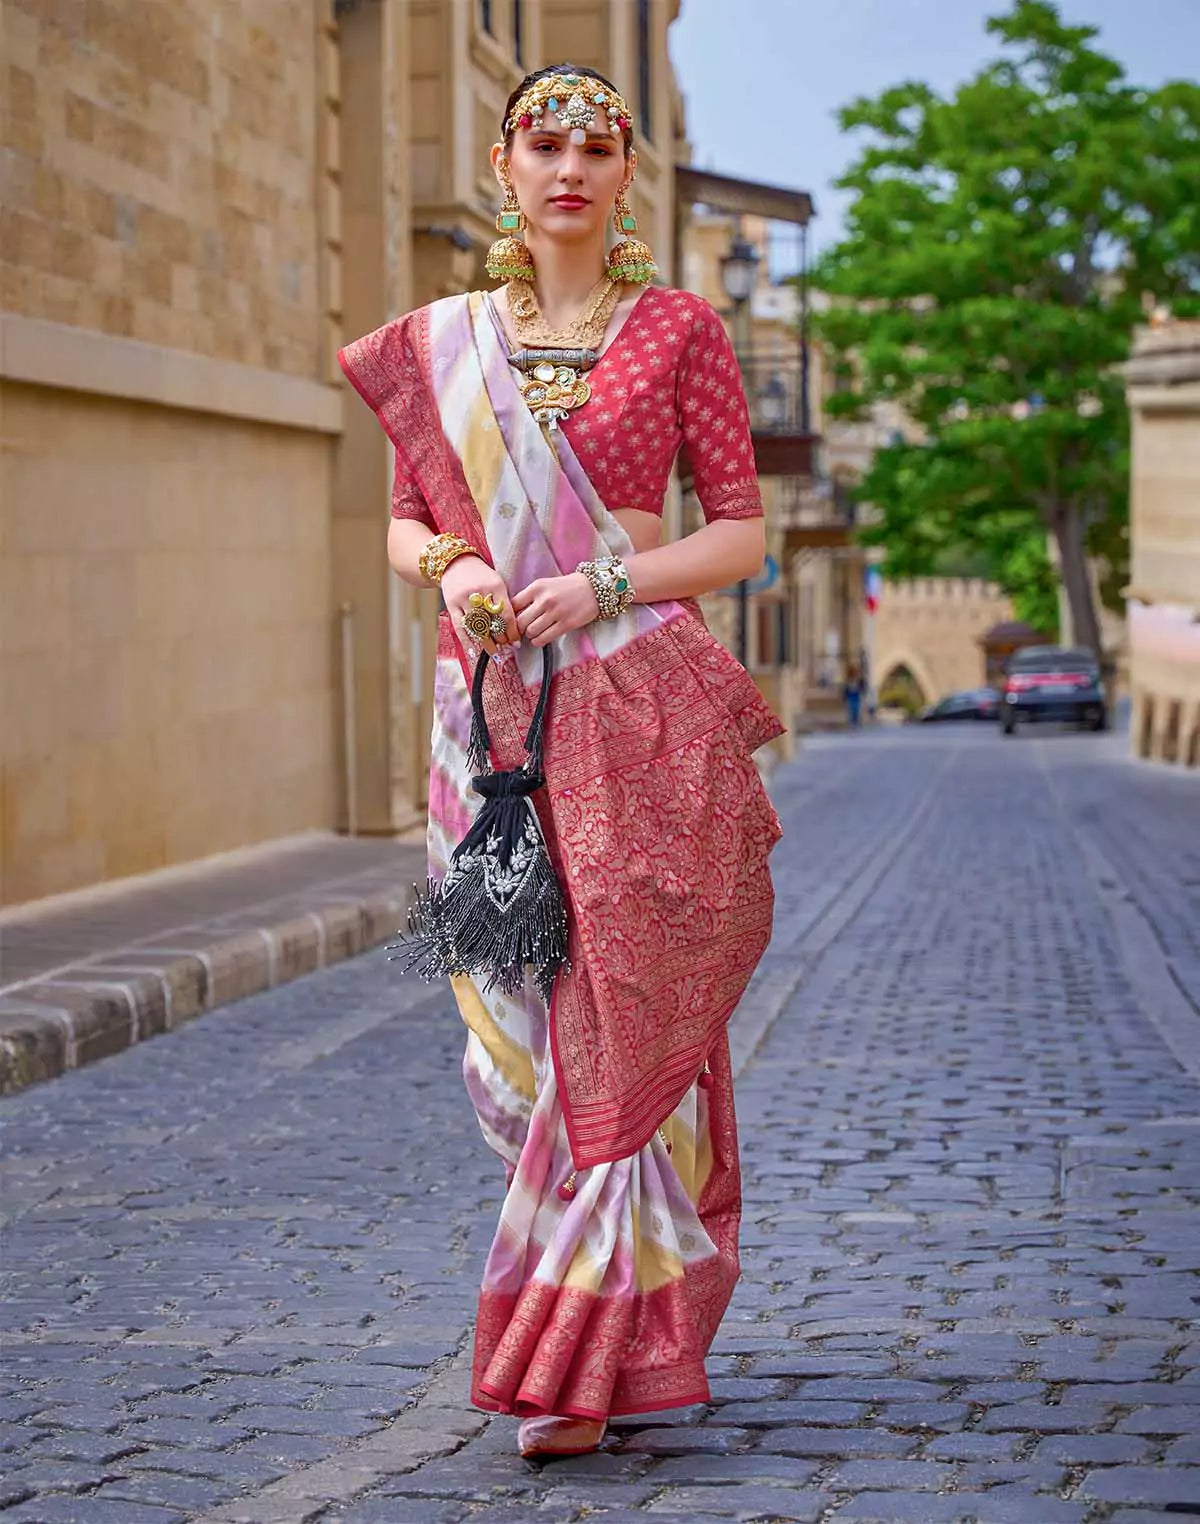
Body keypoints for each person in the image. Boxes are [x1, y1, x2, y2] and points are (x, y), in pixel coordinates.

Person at [339, 65, 783, 1461]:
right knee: (512, 1030)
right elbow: (403, 527)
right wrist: (460, 562)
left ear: (628, 171)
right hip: (488, 719)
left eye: (600, 144)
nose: (572, 166)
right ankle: (592, 1307)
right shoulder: (442, 342)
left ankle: (590, 1361)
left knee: (630, 1006)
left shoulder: (679, 332)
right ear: (503, 164)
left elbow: (742, 534)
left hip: (636, 704)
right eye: (548, 143)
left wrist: (604, 579)